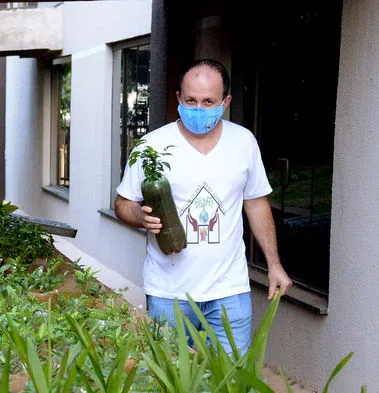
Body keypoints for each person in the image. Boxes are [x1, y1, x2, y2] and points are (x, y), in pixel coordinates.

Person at [114, 59, 292, 354]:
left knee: (229, 384)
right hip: (168, 294)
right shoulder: (150, 147)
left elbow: (257, 203)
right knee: (173, 390)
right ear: (178, 99)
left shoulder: (243, 142)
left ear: (226, 101)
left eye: (209, 101)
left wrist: (274, 264)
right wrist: (140, 217)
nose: (198, 109)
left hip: (230, 291)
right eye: (190, 100)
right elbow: (123, 203)